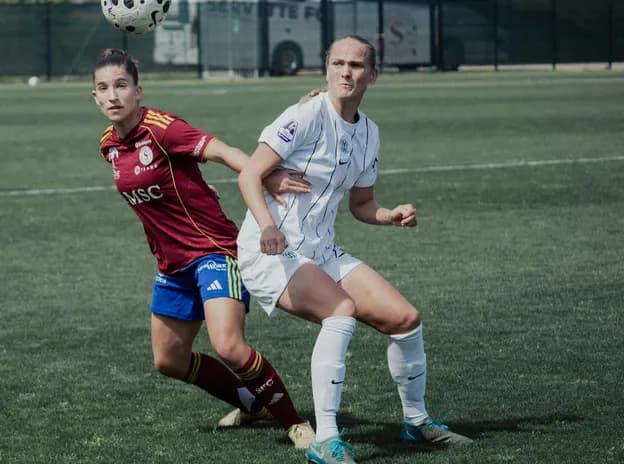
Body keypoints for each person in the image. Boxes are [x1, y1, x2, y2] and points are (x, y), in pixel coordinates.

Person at [235, 35, 472, 464]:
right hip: (269, 249)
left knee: (405, 318)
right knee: (340, 310)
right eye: (338, 63)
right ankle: (326, 440)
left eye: (357, 65)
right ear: (326, 69)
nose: (347, 72)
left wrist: (391, 215)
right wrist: (268, 226)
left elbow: (362, 205)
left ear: (373, 76)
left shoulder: (369, 134)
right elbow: (249, 175)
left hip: (321, 249)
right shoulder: (305, 115)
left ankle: (416, 422)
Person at [92, 48, 317, 450]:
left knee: (228, 345)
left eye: (121, 86)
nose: (112, 96)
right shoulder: (108, 145)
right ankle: (252, 402)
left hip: (213, 251)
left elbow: (222, 151)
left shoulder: (162, 128)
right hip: (171, 264)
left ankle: (295, 423)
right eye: (103, 88)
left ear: (138, 91)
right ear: (94, 97)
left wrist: (264, 177)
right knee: (169, 361)